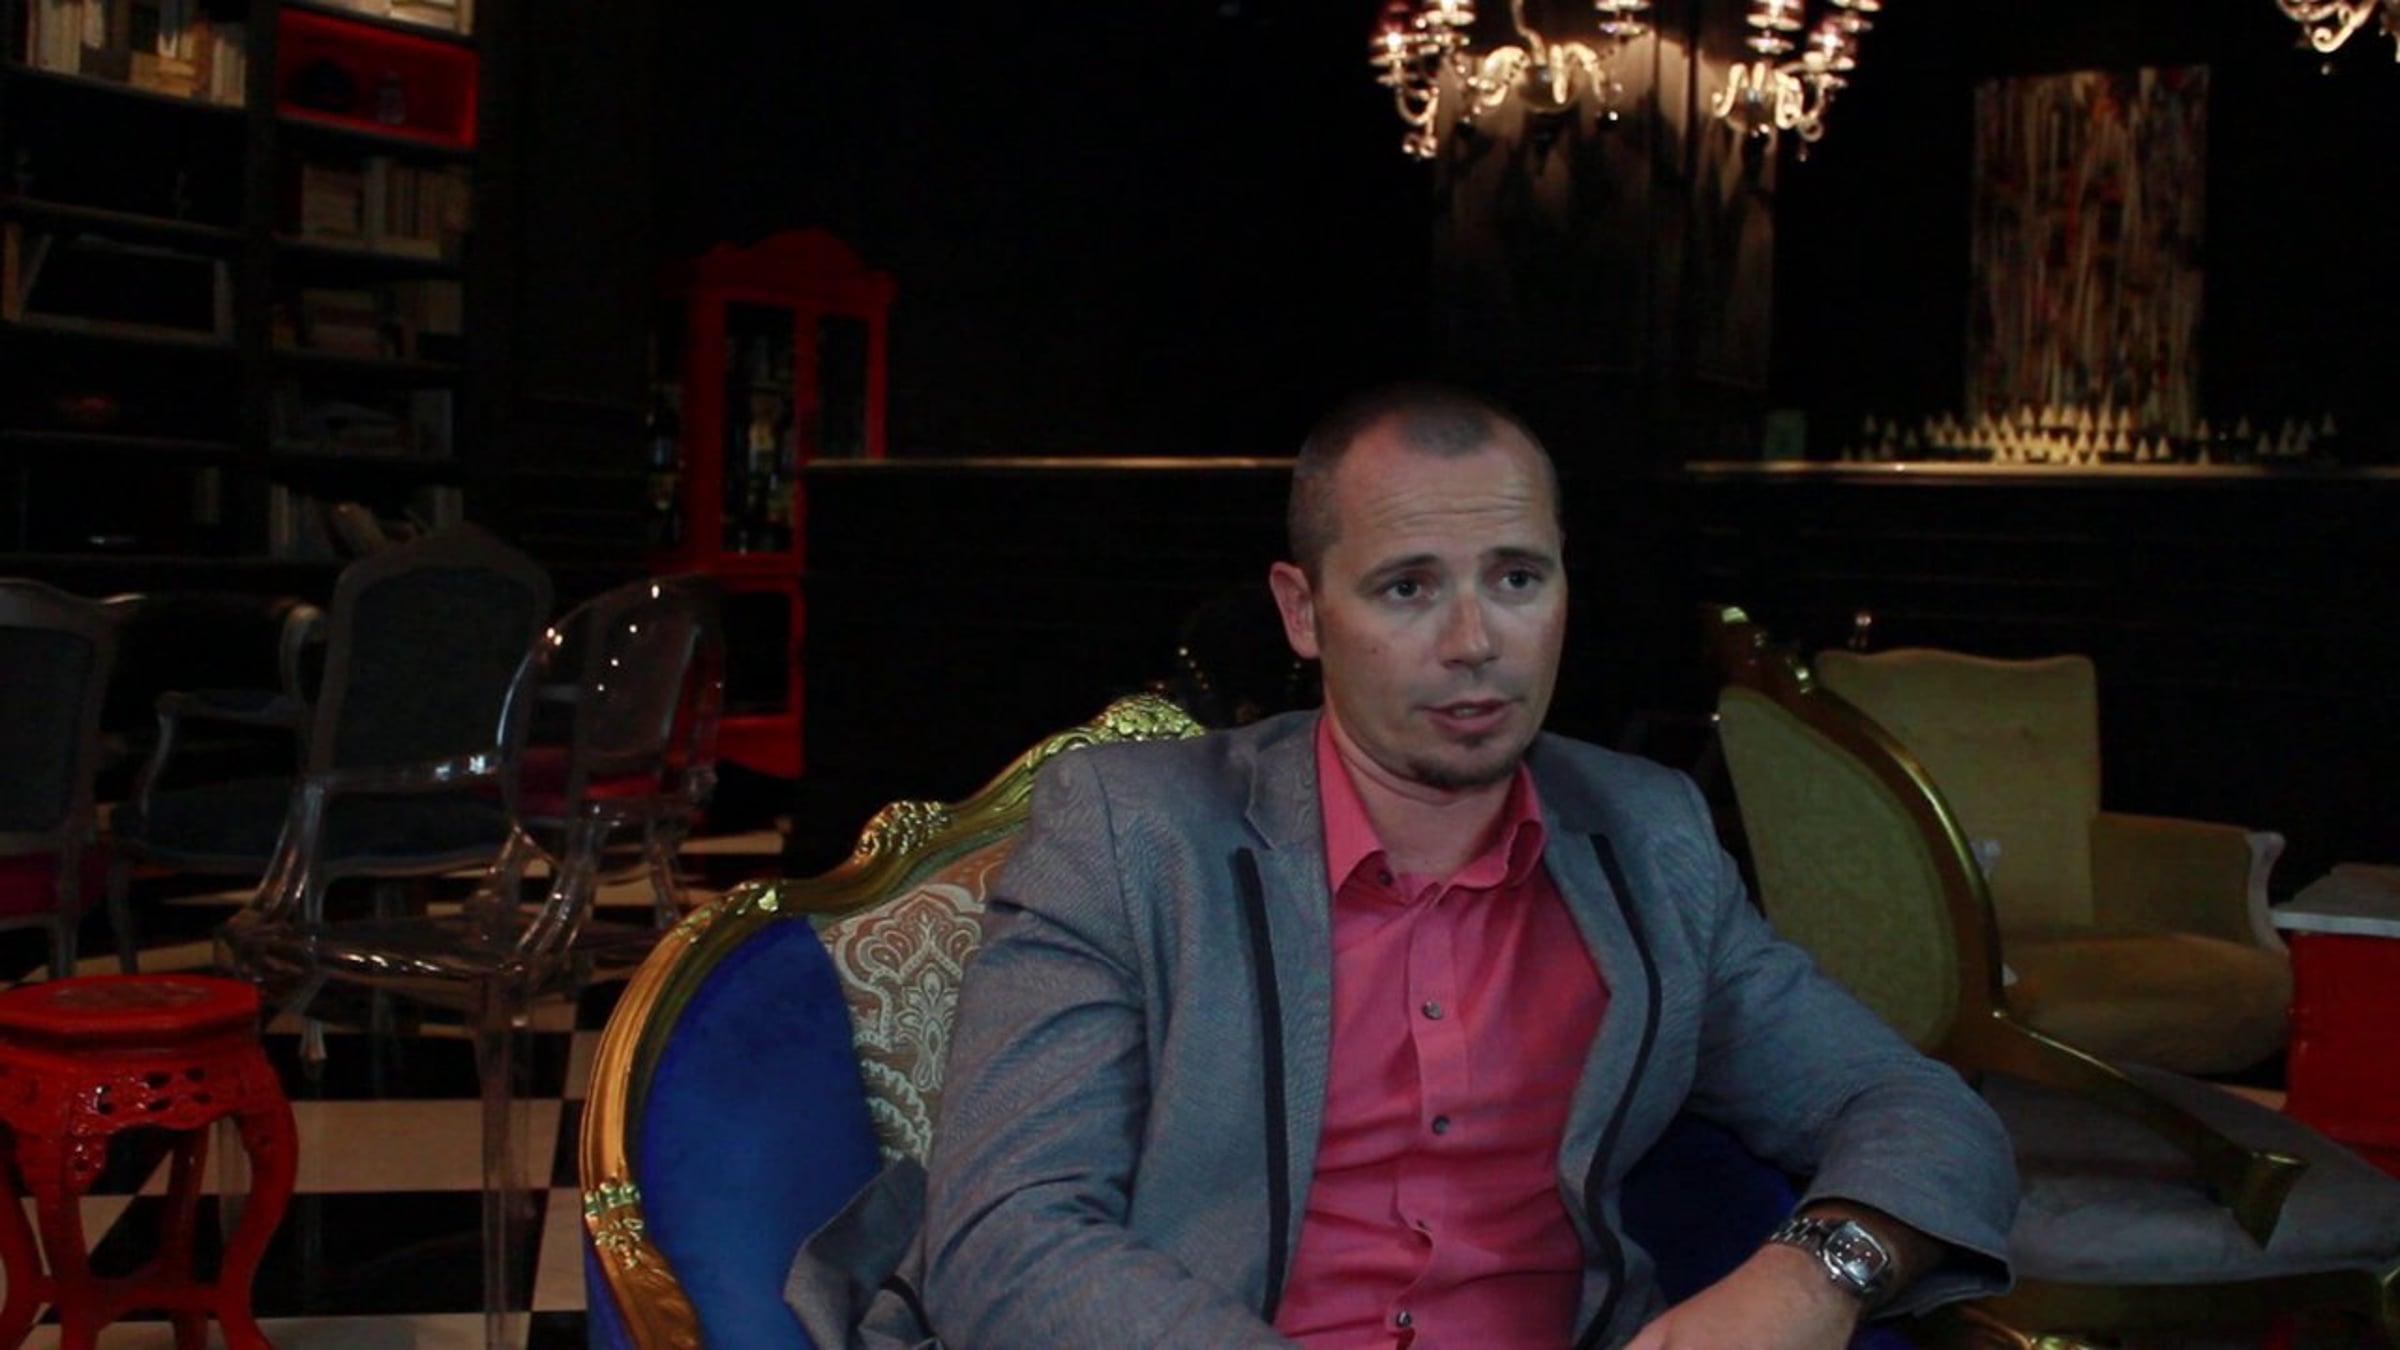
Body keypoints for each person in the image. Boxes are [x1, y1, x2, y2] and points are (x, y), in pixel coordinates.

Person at [795, 385, 2016, 1349]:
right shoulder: (1133, 832)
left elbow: (1914, 1108)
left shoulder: (1649, 839)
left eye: (1517, 579)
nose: (1475, 641)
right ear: (1303, 610)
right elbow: (1008, 1235)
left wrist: (1815, 1276)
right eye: (1407, 588)